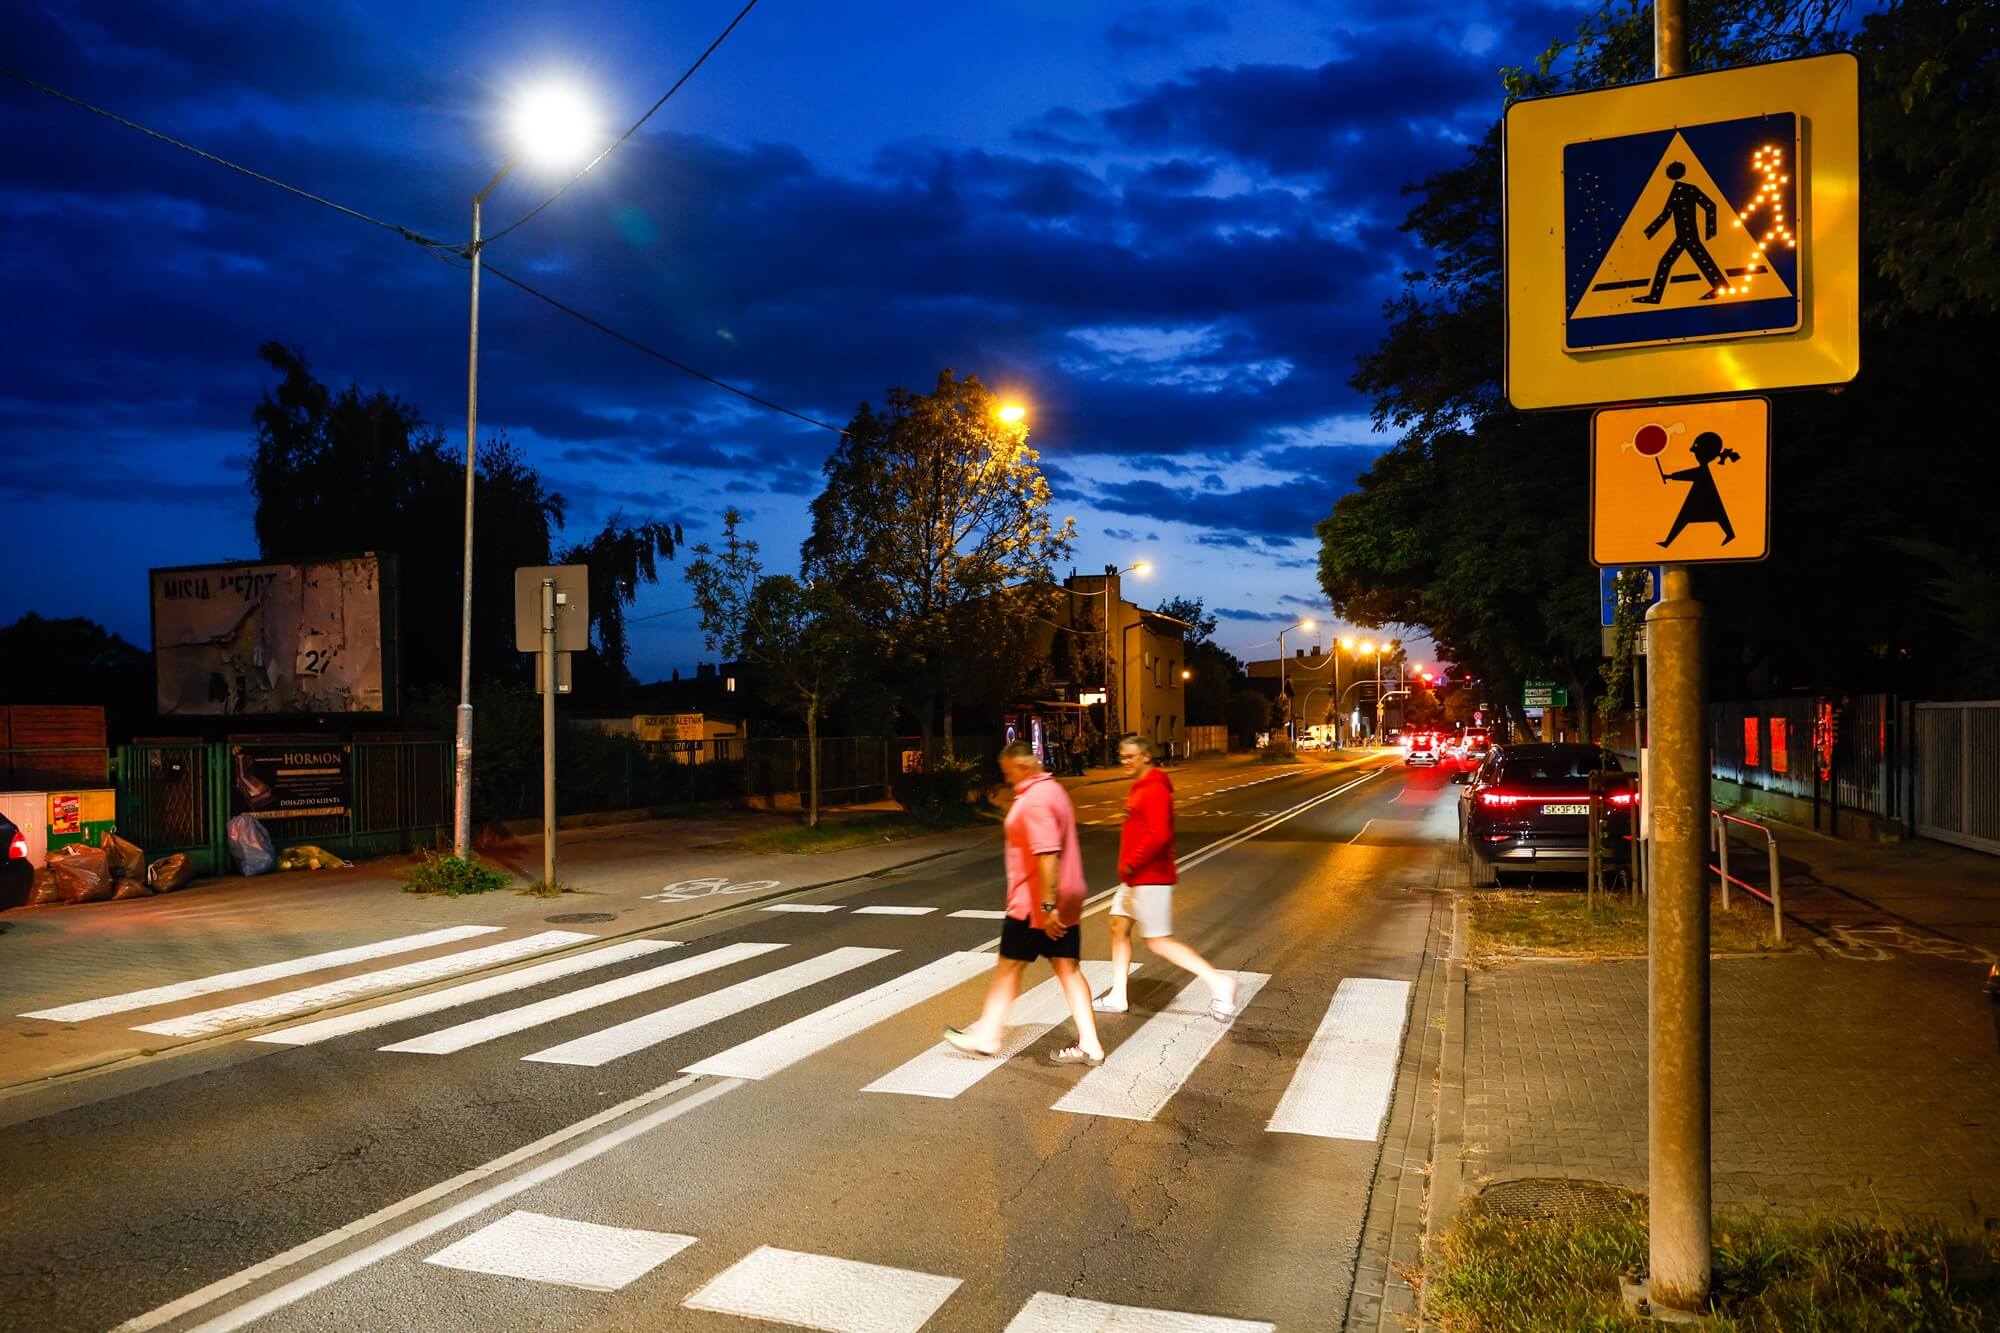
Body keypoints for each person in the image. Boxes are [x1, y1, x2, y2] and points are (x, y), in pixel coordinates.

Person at [944, 741, 1106, 1066]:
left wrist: (1047, 907)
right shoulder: (1054, 790)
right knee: (1069, 970)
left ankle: (988, 1036)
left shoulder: (1035, 799)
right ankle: (1090, 1044)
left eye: (1008, 774)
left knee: (1008, 970)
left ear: (1020, 767)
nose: (1008, 781)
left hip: (1034, 903)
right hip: (1065, 899)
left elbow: (1047, 853)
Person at [1093, 735, 1239, 1021]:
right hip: (1135, 877)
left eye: (1130, 756)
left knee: (1159, 941)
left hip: (1149, 875)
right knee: (1118, 925)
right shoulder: (1140, 786)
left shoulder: (1156, 787)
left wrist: (1133, 864)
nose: (1125, 761)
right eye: (1121, 756)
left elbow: (1159, 834)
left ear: (1146, 756)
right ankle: (1118, 996)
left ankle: (1219, 983)